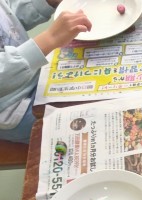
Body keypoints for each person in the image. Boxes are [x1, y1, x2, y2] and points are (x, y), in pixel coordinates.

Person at [0, 0, 91, 143]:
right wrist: (49, 38)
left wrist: (44, 2)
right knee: (90, 121)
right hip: (15, 108)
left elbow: (8, 14)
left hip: (36, 70)